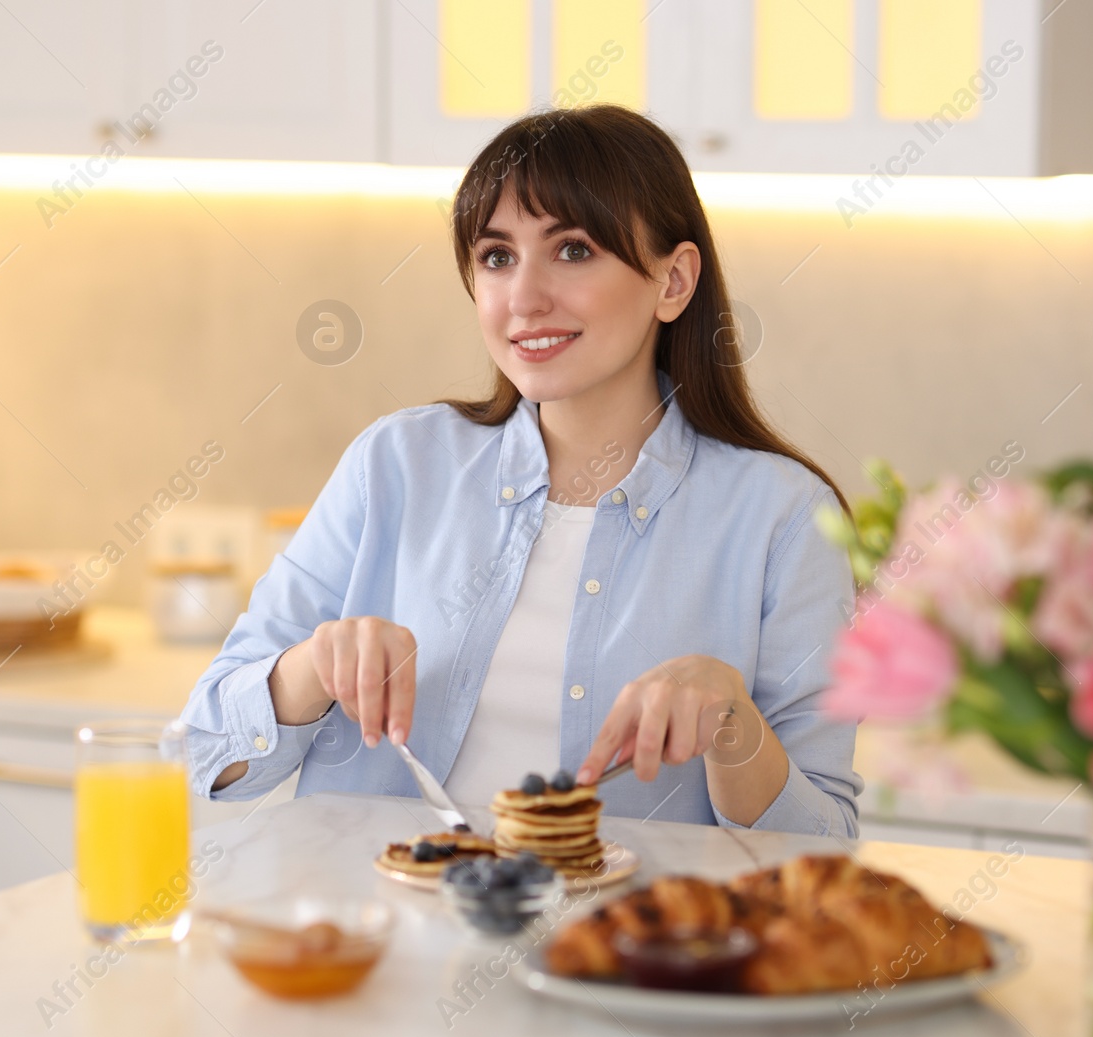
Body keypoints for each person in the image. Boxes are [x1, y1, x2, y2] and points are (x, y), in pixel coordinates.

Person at [179, 104, 861, 836]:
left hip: (623, 947)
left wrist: (733, 720)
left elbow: (825, 850)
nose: (524, 299)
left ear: (673, 281)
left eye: (572, 250)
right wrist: (314, 667)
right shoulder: (396, 466)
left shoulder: (784, 519)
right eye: (497, 256)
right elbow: (203, 754)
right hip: (380, 939)